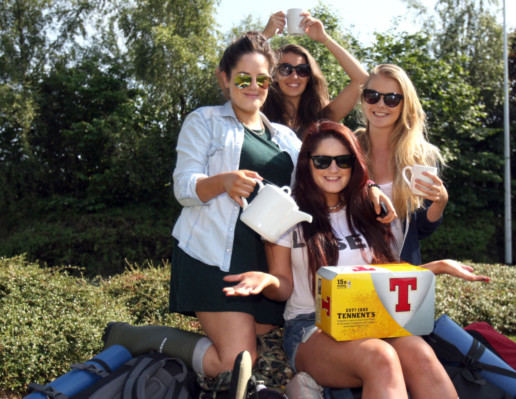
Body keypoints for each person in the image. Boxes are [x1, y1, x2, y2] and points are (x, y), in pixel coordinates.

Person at [103, 32, 301, 398]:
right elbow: (184, 186)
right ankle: (143, 338)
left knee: (254, 363)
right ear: (224, 77)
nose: (253, 86)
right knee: (234, 361)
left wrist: (366, 189)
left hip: (268, 267)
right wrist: (223, 181)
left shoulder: (287, 138)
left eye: (262, 79)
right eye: (243, 77)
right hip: (212, 256)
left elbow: (322, 182)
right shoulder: (205, 121)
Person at [222, 120, 460, 399]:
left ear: (354, 164)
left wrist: (435, 267)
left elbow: (382, 279)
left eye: (342, 161)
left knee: (420, 352)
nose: (333, 169)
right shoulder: (286, 212)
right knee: (381, 357)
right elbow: (284, 285)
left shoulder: (369, 208)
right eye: (322, 161)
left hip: (368, 318)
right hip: (311, 326)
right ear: (307, 164)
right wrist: (267, 280)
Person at [355, 64, 489, 282]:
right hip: (352, 271)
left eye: (391, 99)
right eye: (372, 96)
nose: (380, 104)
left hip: (401, 277)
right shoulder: (347, 149)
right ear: (363, 100)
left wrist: (440, 202)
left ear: (404, 104)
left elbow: (421, 229)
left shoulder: (420, 156)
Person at [260, 10, 369, 138]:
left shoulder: (323, 118)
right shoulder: (259, 114)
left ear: (309, 77)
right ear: (274, 75)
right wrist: (263, 36)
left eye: (302, 70)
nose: (294, 76)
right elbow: (234, 76)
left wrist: (324, 38)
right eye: (285, 69)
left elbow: (362, 80)